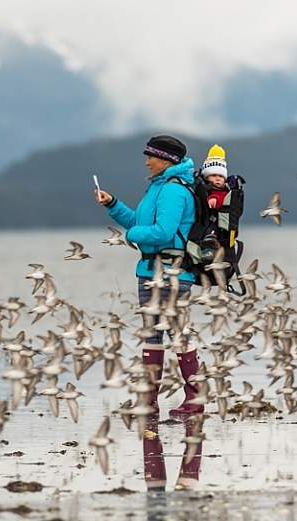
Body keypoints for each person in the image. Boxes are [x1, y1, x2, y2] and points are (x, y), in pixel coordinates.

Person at [94, 134, 205, 418]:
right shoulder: (159, 187)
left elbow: (163, 233)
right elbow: (140, 223)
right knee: (152, 337)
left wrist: (129, 236)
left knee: (178, 336)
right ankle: (149, 401)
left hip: (171, 274)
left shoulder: (173, 191)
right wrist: (113, 204)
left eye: (150, 156)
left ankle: (194, 401)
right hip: (150, 272)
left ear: (166, 159)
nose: (146, 162)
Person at [200, 144, 230, 210]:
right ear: (206, 177)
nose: (218, 178)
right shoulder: (201, 190)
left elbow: (224, 198)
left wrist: (215, 198)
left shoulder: (227, 191)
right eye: (213, 175)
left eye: (221, 176)